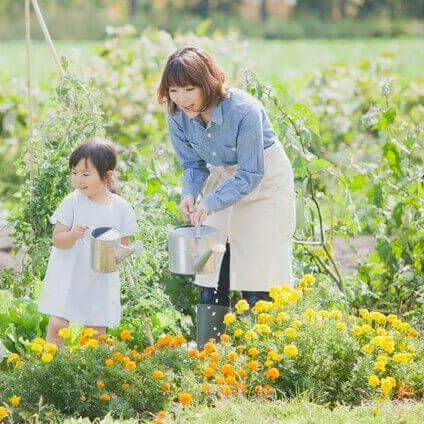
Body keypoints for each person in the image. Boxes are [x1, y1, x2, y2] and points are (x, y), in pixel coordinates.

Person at [157, 46, 296, 343]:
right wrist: (190, 194)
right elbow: (193, 164)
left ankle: (262, 355)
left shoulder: (244, 110)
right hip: (223, 179)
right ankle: (212, 356)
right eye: (174, 90)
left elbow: (250, 175)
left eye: (189, 88)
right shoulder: (177, 115)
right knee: (213, 263)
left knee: (259, 268)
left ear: (207, 82)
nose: (182, 98)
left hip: (265, 182)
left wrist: (209, 202)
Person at [38, 138, 138, 346]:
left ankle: (95, 374)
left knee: (96, 331)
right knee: (58, 323)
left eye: (85, 174)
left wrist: (115, 255)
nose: (78, 179)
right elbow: (57, 240)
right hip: (69, 274)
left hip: (99, 279)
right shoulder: (73, 201)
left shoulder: (120, 207)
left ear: (107, 175)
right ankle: (52, 369)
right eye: (74, 173)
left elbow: (123, 244)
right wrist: (73, 235)